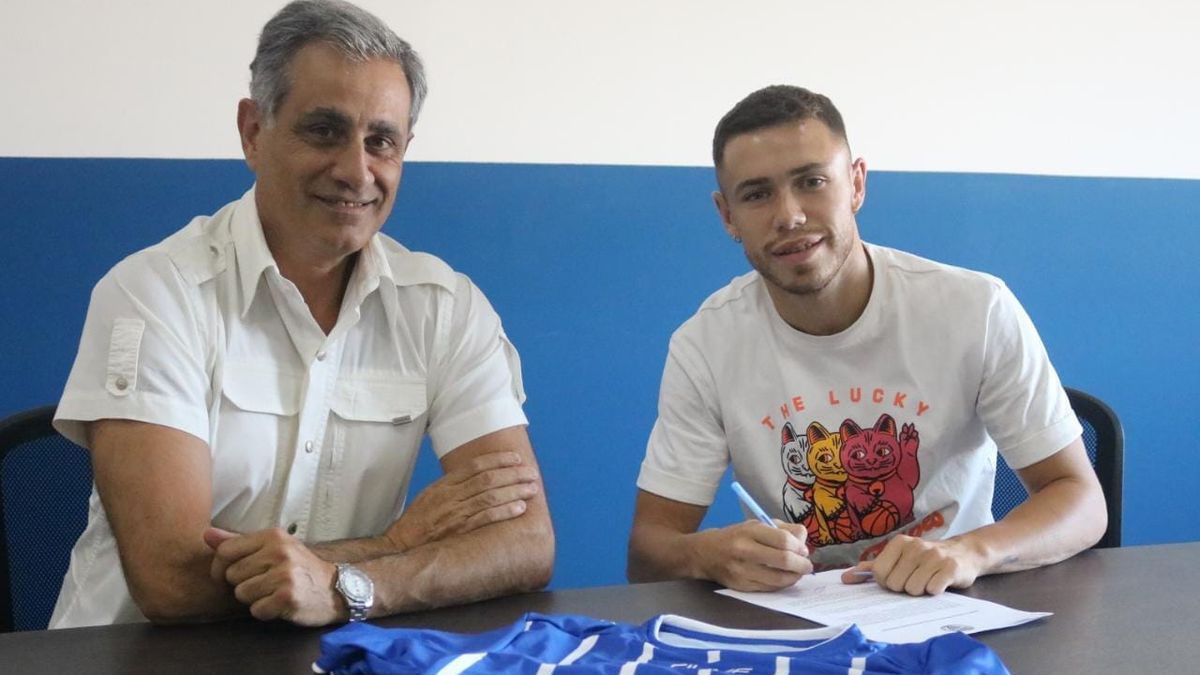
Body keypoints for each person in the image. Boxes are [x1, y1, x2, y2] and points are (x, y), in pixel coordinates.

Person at [50, 0, 553, 628]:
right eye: (324, 131)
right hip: (136, 659)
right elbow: (172, 582)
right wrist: (395, 548)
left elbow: (525, 544)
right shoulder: (154, 293)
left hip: (334, 657)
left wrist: (344, 586)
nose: (355, 170)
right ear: (253, 131)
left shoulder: (445, 308)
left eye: (382, 141)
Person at [627, 85, 1106, 597]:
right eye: (757, 194)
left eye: (811, 181)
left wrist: (970, 551)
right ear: (728, 216)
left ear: (856, 184)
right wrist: (708, 554)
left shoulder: (975, 308)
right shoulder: (706, 344)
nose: (788, 215)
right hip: (798, 624)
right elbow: (649, 549)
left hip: (956, 604)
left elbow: (1080, 500)